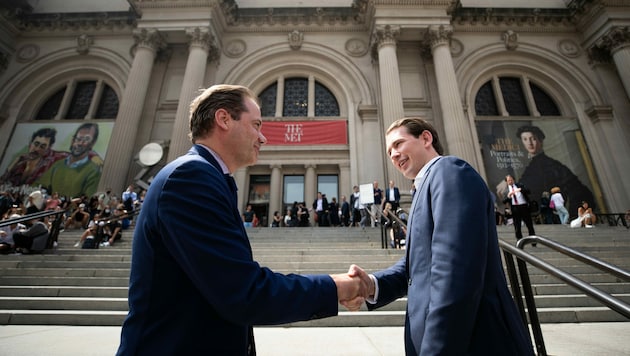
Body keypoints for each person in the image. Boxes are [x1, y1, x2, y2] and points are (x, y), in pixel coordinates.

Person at [116, 84, 366, 355]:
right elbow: (243, 292)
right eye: (256, 124)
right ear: (224, 119)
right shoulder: (190, 178)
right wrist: (336, 287)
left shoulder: (208, 177)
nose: (263, 137)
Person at [344, 117, 533, 355]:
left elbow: (455, 271)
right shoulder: (427, 186)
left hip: (477, 342)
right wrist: (372, 284)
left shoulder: (450, 171)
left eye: (399, 144)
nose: (393, 155)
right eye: (389, 151)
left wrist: (436, 349)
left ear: (425, 138)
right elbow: (419, 265)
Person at [516, 125, 595, 218]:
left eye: (533, 138)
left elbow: (580, 191)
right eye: (525, 139)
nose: (529, 143)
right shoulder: (532, 165)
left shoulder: (551, 165)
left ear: (540, 141)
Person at [35, 123, 102, 198]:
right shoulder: (58, 165)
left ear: (92, 143)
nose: (80, 143)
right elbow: (39, 186)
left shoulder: (93, 171)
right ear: (73, 140)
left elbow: (87, 199)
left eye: (86, 140)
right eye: (78, 139)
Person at [0, 127, 66, 186]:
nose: (37, 149)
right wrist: (13, 164)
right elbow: (2, 182)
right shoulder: (20, 161)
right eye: (36, 144)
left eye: (42, 146)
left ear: (49, 148)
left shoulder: (53, 160)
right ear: (31, 143)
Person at [503, 174, 536, 243]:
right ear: (506, 182)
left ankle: (533, 240)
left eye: (511, 180)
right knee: (517, 226)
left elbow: (528, 191)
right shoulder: (506, 190)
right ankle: (519, 241)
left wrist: (521, 190)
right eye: (509, 180)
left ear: (514, 180)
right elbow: (504, 201)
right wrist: (509, 196)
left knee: (529, 224)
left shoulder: (520, 185)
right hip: (515, 208)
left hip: (524, 206)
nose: (510, 181)